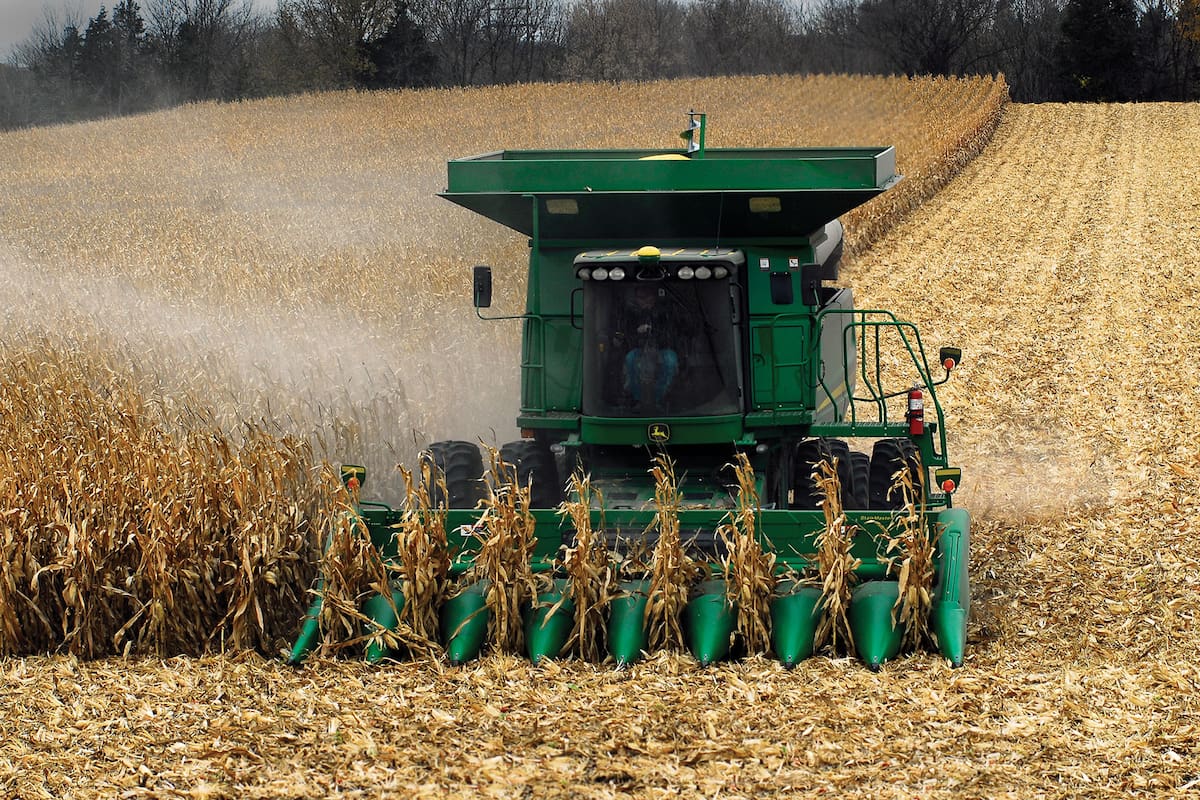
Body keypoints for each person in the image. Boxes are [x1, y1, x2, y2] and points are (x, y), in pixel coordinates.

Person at [615, 283, 680, 409]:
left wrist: (655, 331)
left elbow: (673, 334)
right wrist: (637, 333)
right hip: (638, 348)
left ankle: (660, 398)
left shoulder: (666, 312)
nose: (644, 300)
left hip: (662, 348)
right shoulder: (630, 313)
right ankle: (636, 398)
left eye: (647, 296)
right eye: (640, 297)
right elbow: (624, 335)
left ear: (654, 296)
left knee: (670, 360)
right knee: (630, 359)